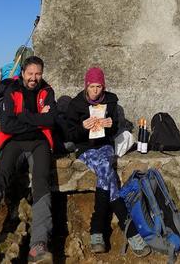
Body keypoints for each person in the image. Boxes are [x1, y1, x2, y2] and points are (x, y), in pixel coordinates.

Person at [0, 56, 57, 263]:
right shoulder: (12, 90)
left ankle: (38, 245)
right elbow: (7, 126)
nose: (34, 78)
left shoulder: (48, 91)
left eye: (38, 74)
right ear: (23, 73)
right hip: (14, 142)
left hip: (39, 143)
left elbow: (51, 119)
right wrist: (37, 119)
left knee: (41, 183)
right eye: (30, 74)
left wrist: (23, 116)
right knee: (1, 174)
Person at [66, 67, 150, 256]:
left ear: (103, 86)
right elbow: (70, 134)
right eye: (92, 87)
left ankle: (97, 231)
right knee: (107, 171)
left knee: (105, 168)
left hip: (104, 146)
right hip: (86, 148)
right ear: (86, 86)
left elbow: (116, 129)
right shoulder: (75, 104)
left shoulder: (111, 100)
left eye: (99, 87)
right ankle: (129, 229)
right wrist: (82, 127)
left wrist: (111, 124)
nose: (95, 90)